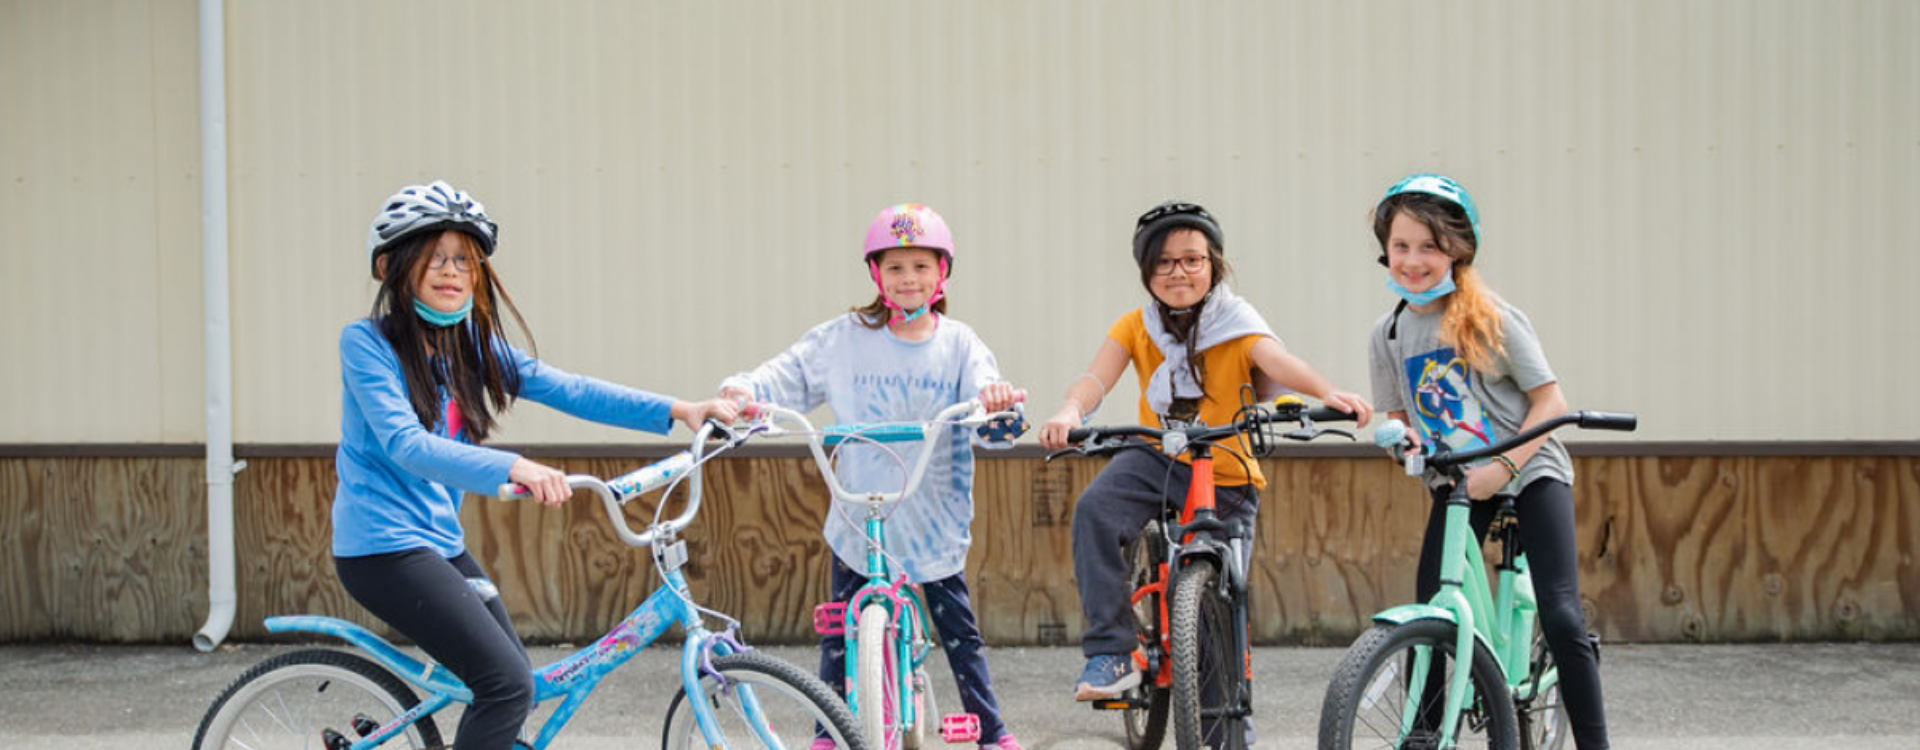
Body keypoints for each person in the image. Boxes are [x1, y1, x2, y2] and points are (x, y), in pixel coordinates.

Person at [332, 180, 739, 750]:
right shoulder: (366, 344)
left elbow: (566, 388)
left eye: (464, 262)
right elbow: (406, 444)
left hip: (439, 542)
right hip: (381, 549)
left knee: (513, 682)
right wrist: (514, 466)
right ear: (390, 267)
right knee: (503, 685)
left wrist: (680, 410)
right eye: (434, 258)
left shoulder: (470, 345)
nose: (452, 272)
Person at [1036, 201, 1372, 710]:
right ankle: (1113, 651)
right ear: (1146, 271)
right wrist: (1069, 411)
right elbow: (1095, 377)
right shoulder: (1136, 325)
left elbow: (1278, 361)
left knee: (1221, 606)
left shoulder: (1236, 321)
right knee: (1095, 510)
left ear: (1214, 265)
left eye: (1193, 259)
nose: (1179, 272)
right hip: (1156, 458)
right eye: (1164, 262)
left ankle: (1225, 731)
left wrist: (1327, 393)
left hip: (1226, 472)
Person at [717, 203, 1025, 750]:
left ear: (943, 273)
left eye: (921, 267)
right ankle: (828, 732)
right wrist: (744, 393)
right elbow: (784, 376)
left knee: (959, 632)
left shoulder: (959, 344)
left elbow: (986, 401)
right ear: (875, 275)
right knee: (840, 629)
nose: (909, 279)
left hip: (932, 517)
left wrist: (995, 405)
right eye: (896, 268)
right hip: (861, 511)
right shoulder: (844, 338)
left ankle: (991, 731)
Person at [1365, 173, 1609, 749]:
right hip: (1458, 481)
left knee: (1562, 614)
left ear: (1457, 250)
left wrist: (1505, 469)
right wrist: (1393, 434)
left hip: (1530, 467)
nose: (1414, 260)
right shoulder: (1390, 332)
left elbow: (1551, 400)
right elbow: (1395, 411)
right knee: (1430, 613)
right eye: (1402, 246)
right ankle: (1424, 734)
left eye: (1429, 246)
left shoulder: (1492, 317)